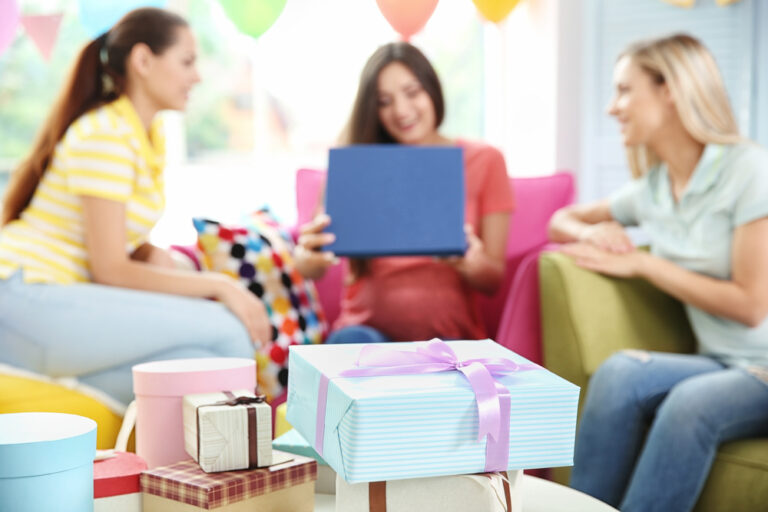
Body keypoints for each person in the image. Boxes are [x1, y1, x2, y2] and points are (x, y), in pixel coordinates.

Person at [0, 8, 270, 405]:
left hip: (49, 303)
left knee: (201, 368)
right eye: (187, 61)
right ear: (143, 61)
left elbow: (111, 241)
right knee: (229, 332)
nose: (197, 76)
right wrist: (220, 284)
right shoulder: (107, 133)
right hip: (24, 297)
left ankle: (76, 398)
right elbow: (109, 267)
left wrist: (148, 252)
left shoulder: (144, 134)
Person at [548, 34, 768, 512]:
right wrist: (592, 234)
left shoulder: (748, 170)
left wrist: (646, 263)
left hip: (763, 364)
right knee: (619, 374)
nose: (613, 107)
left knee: (690, 405)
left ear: (670, 89)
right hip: (721, 359)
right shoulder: (653, 189)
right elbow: (560, 219)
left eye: (625, 90)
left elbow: (752, 306)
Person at [294, 42, 514, 344]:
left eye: (412, 93)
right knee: (354, 343)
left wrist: (470, 261)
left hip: (450, 338)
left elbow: (493, 281)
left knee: (448, 355)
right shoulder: (357, 162)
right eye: (384, 101)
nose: (401, 111)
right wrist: (308, 254)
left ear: (432, 89)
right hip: (363, 334)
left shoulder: (485, 160)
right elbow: (312, 266)